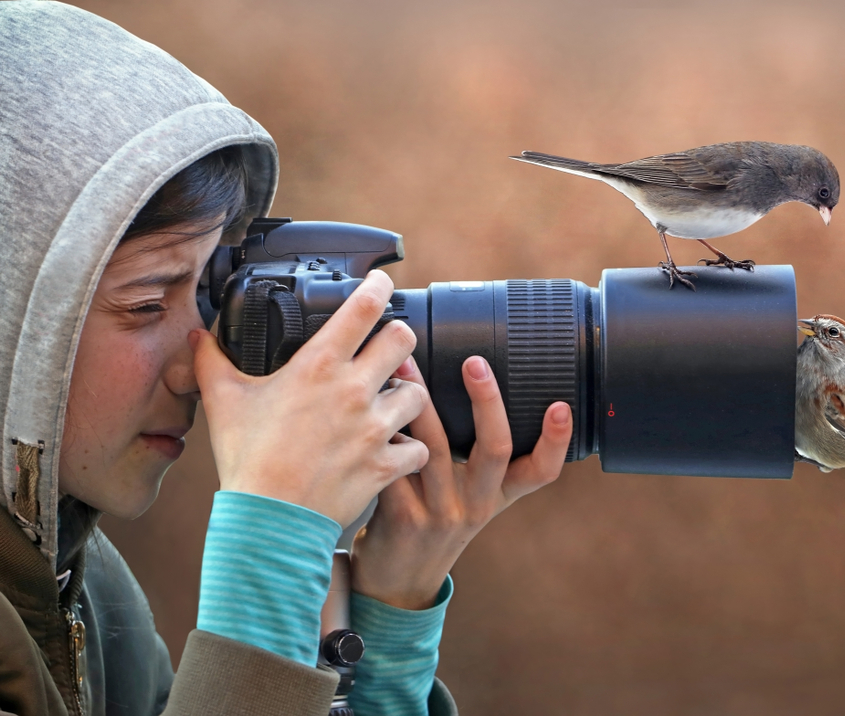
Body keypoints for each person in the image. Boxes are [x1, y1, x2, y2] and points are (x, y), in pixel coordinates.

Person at [0, 3, 573, 715]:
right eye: (146, 305)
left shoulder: (76, 586)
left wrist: (388, 616)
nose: (197, 370)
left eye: (209, 294)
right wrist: (269, 541)